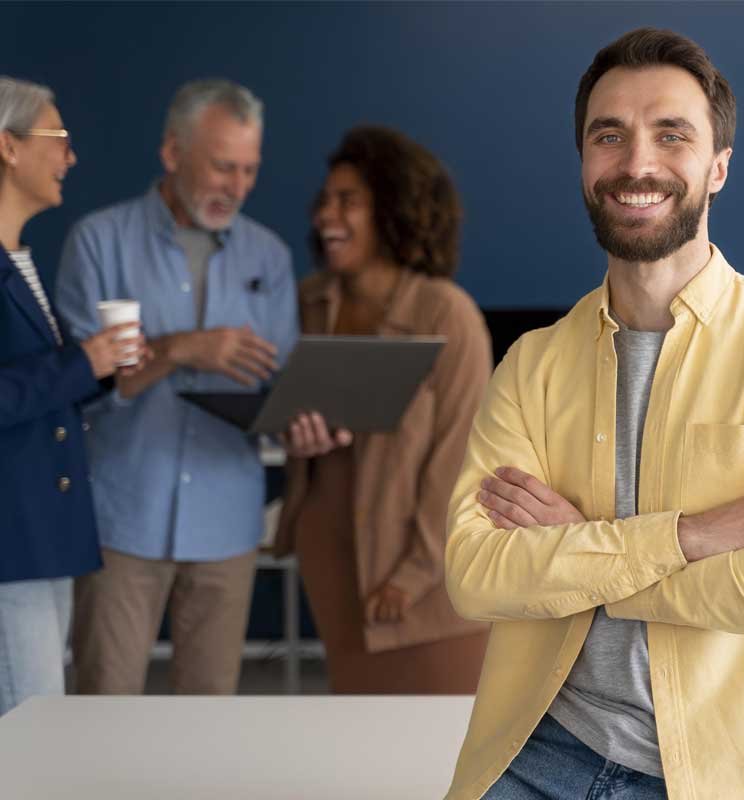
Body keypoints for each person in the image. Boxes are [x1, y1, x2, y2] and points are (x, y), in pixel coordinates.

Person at [442, 27, 744, 799]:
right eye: (610, 136)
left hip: (719, 773)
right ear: (583, 164)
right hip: (537, 756)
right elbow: (473, 574)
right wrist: (687, 538)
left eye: (672, 134)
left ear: (718, 167)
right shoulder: (532, 363)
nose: (637, 163)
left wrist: (579, 558)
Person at [54, 79, 298, 695]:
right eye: (222, 167)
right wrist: (185, 348)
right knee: (102, 708)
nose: (237, 187)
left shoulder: (267, 256)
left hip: (227, 523)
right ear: (172, 153)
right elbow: (80, 383)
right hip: (122, 518)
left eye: (249, 169)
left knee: (207, 724)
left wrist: (306, 418)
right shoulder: (98, 242)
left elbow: (280, 382)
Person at [275, 126, 491, 693]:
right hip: (332, 557)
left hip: (427, 576)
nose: (327, 214)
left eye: (348, 200)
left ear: (394, 209)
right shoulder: (307, 304)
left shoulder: (446, 313)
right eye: (324, 200)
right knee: (356, 742)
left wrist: (414, 573)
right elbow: (287, 418)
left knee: (445, 752)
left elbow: (462, 460)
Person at [0, 76, 147, 715]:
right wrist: (80, 361)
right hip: (13, 540)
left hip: (43, 540)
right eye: (58, 138)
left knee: (37, 718)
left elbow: (39, 396)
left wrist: (103, 372)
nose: (71, 157)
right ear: (8, 146)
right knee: (27, 730)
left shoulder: (22, 260)